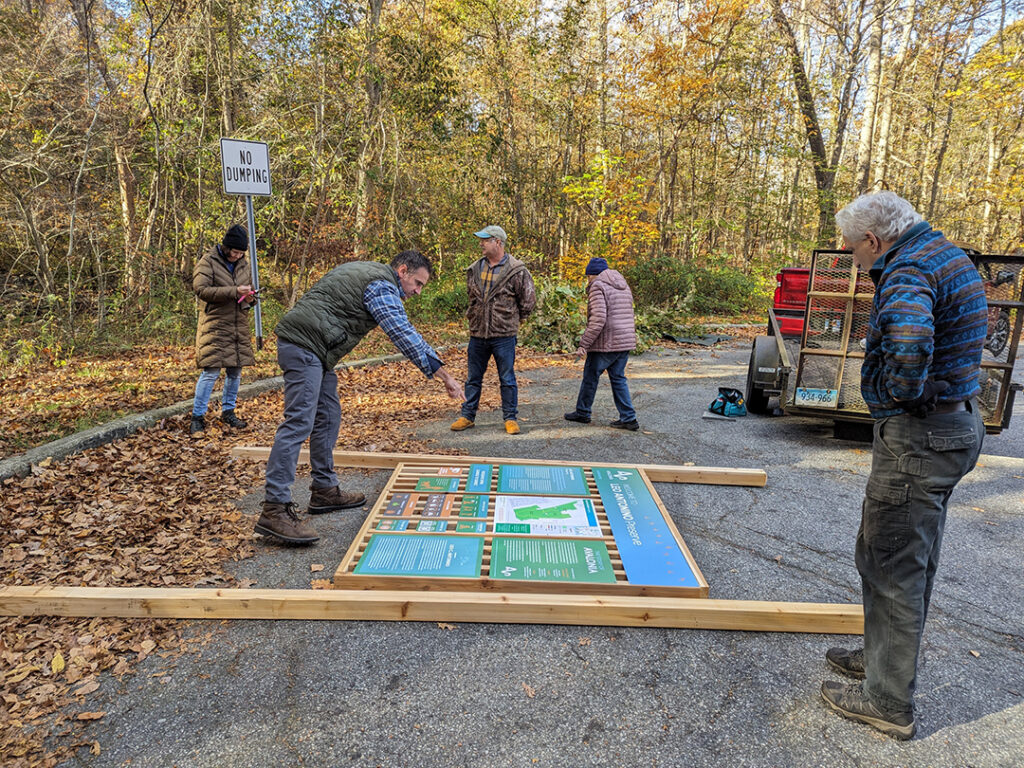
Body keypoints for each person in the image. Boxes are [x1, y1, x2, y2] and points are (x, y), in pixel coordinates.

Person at [821, 191, 987, 740]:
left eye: (851, 249)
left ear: (874, 239)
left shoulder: (909, 267)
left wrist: (903, 393)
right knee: (893, 553)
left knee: (893, 563)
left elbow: (912, 337)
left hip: (922, 435)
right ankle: (880, 662)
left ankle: (887, 702)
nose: (852, 258)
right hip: (950, 427)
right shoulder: (941, 252)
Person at [258, 250, 463, 545]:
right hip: (304, 346)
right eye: (417, 283)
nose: (417, 292)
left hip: (315, 349)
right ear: (402, 270)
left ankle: (324, 490)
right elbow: (401, 332)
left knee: (327, 415)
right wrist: (444, 375)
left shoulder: (370, 272)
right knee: (298, 423)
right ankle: (274, 508)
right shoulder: (381, 285)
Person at [450, 225, 536, 435]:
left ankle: (510, 418)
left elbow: (528, 300)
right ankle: (467, 415)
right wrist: (473, 316)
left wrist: (514, 321)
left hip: (504, 335)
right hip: (478, 333)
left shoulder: (517, 270)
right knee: (473, 378)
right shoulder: (475, 268)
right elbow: (471, 297)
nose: (481, 243)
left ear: (498, 242)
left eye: (485, 240)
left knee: (507, 378)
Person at [191, 224, 257, 435]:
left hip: (238, 326)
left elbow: (251, 290)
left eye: (241, 253)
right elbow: (201, 289)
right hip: (215, 326)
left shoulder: (244, 264)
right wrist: (233, 291)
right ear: (226, 247)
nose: (237, 256)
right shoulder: (208, 261)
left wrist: (250, 296)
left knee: (235, 371)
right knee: (210, 371)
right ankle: (197, 417)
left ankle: (229, 412)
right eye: (235, 252)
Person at [563, 257, 639, 430]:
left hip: (606, 342)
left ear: (591, 275)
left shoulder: (598, 286)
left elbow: (598, 319)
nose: (587, 280)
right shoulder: (623, 285)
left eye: (587, 277)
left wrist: (584, 344)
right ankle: (629, 418)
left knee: (590, 377)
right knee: (618, 378)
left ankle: (583, 412)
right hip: (625, 340)